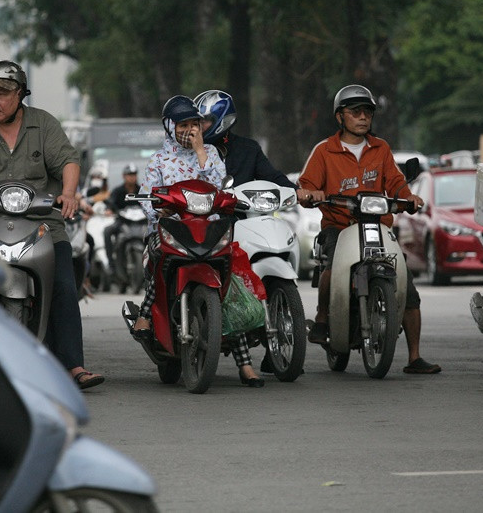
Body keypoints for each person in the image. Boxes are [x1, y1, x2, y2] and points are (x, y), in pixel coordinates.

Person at [0, 59, 104, 390]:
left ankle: (73, 365)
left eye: (2, 92)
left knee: (64, 284)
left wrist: (69, 193)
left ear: (20, 95)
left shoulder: (44, 125)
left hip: (41, 220)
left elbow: (68, 162)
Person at [298, 84, 441, 375]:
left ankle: (414, 357)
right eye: (355, 112)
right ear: (340, 117)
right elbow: (306, 184)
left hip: (376, 226)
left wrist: (409, 197)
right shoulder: (324, 150)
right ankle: (323, 318)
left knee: (408, 286)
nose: (363, 117)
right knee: (333, 260)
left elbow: (397, 184)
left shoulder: (381, 148)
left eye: (368, 112)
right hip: (338, 225)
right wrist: (310, 194)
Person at [130, 96, 265, 387]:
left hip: (209, 230)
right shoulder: (159, 160)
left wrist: (201, 151)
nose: (189, 130)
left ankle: (245, 364)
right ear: (169, 127)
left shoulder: (212, 153)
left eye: (194, 124)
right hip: (171, 230)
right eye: (183, 125)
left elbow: (220, 185)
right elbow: (147, 196)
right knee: (156, 253)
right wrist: (157, 206)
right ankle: (145, 313)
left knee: (226, 288)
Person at [194, 89, 312, 375]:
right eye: (197, 122)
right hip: (205, 225)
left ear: (223, 119)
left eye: (205, 121)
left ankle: (269, 331)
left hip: (246, 221)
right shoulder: (191, 152)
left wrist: (297, 191)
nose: (199, 127)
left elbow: (273, 177)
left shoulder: (248, 149)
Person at [102, 162, 141, 280]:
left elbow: (149, 203)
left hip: (140, 223)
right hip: (123, 222)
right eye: (129, 174)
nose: (132, 177)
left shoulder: (142, 190)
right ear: (124, 176)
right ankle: (111, 264)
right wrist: (109, 209)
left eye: (134, 174)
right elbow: (110, 202)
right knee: (107, 231)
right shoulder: (117, 191)